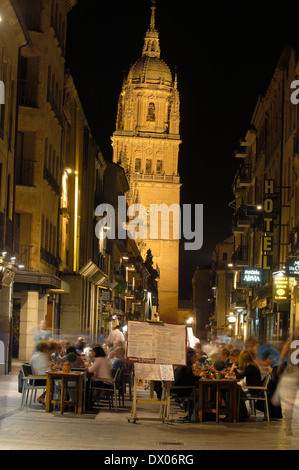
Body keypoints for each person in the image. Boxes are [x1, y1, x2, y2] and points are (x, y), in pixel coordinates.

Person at [256, 342, 287, 419]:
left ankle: (275, 414)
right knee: (274, 390)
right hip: (279, 366)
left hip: (278, 366)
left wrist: (258, 362)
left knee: (275, 390)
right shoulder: (265, 348)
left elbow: (267, 362)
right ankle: (276, 413)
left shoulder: (261, 349)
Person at [233, 350, 263, 421]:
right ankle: (242, 413)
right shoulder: (252, 366)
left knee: (237, 392)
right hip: (255, 389)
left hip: (253, 390)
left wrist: (234, 370)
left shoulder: (250, 367)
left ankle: (242, 413)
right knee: (238, 390)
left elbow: (239, 377)